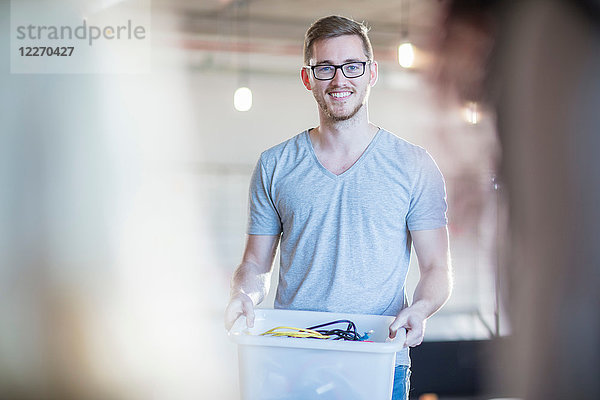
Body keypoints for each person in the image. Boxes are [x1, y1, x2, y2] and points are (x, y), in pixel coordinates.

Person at [224, 15, 453, 400]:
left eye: (352, 66)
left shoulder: (413, 165)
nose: (339, 79)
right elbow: (254, 265)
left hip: (379, 358)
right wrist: (243, 295)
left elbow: (436, 268)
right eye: (325, 68)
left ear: (371, 73)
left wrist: (422, 307)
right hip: (292, 358)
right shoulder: (275, 165)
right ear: (307, 77)